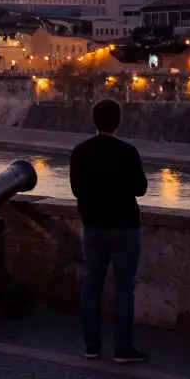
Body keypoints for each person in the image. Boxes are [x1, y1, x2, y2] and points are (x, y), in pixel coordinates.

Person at [69, 98, 149, 364]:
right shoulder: (128, 152)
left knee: (92, 283)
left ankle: (91, 346)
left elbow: (76, 191)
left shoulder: (80, 152)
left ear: (94, 121)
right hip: (125, 227)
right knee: (125, 287)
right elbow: (140, 188)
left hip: (93, 227)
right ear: (119, 122)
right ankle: (123, 349)